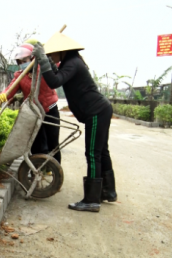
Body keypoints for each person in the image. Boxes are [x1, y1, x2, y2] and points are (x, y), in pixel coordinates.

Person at [30, 33, 117, 212]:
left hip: (96, 111)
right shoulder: (72, 62)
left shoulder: (73, 63)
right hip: (100, 110)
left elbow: (54, 82)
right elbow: (59, 75)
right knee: (102, 152)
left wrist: (44, 63)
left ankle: (92, 200)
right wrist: (51, 65)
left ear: (63, 51)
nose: (51, 56)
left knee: (93, 154)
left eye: (53, 54)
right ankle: (108, 192)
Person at [0, 43, 61, 164]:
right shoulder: (20, 75)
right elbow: (10, 89)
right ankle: (38, 168)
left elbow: (57, 65)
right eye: (19, 62)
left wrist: (46, 57)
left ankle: (54, 170)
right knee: (36, 143)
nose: (22, 64)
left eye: (25, 60)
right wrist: (4, 95)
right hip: (34, 113)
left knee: (53, 143)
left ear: (33, 58)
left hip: (50, 110)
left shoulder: (43, 69)